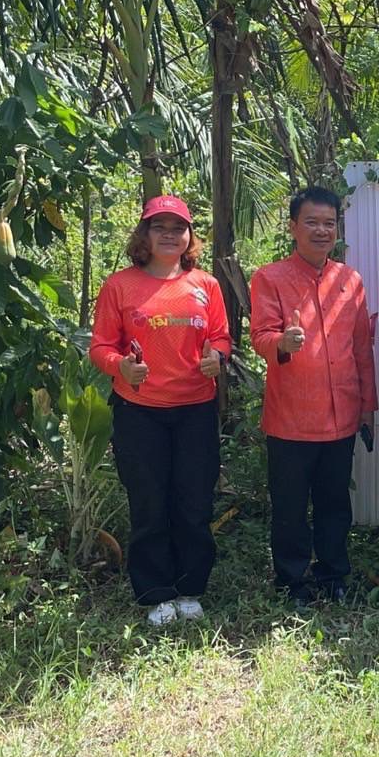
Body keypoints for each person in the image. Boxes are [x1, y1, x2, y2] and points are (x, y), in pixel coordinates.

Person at [89, 195, 230, 626]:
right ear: (144, 235)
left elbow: (222, 338)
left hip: (196, 410)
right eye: (159, 227)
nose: (169, 235)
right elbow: (100, 347)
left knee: (193, 502)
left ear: (189, 237)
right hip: (139, 411)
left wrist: (217, 359)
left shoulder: (205, 285)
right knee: (148, 502)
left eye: (178, 228)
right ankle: (155, 592)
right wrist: (120, 367)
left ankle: (190, 588)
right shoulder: (120, 285)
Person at [251, 186, 376, 607]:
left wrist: (368, 406)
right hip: (290, 418)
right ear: (293, 227)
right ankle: (291, 580)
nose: (321, 230)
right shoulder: (270, 278)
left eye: (328, 223)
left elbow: (362, 347)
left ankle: (334, 575)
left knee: (334, 504)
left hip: (341, 415)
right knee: (289, 507)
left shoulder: (350, 280)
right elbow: (260, 336)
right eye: (311, 222)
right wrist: (283, 342)